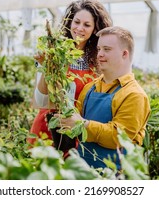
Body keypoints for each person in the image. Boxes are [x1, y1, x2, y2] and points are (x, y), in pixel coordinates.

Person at [58, 26, 151, 170]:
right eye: (99, 49)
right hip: (84, 171)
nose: (100, 54)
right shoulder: (90, 88)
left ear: (124, 54)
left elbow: (119, 137)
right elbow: (74, 121)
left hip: (116, 175)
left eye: (107, 49)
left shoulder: (134, 95)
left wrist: (83, 125)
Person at [28, 0, 113, 149]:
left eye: (87, 25)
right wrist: (47, 65)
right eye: (77, 22)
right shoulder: (54, 52)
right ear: (69, 23)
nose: (80, 28)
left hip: (77, 134)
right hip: (46, 128)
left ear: (94, 29)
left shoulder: (97, 62)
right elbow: (40, 100)